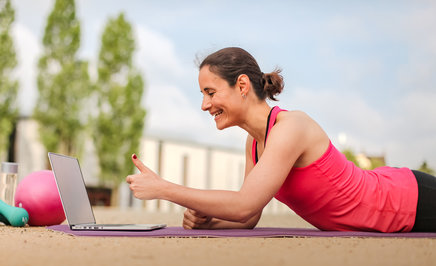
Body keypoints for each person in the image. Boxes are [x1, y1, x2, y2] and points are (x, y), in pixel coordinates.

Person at [125, 47, 436, 232]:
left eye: (210, 92)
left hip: (407, 200)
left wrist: (164, 189)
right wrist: (211, 223)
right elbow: (249, 217)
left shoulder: (290, 127)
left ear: (242, 85)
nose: (205, 105)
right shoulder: (255, 142)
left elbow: (244, 205)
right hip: (396, 193)